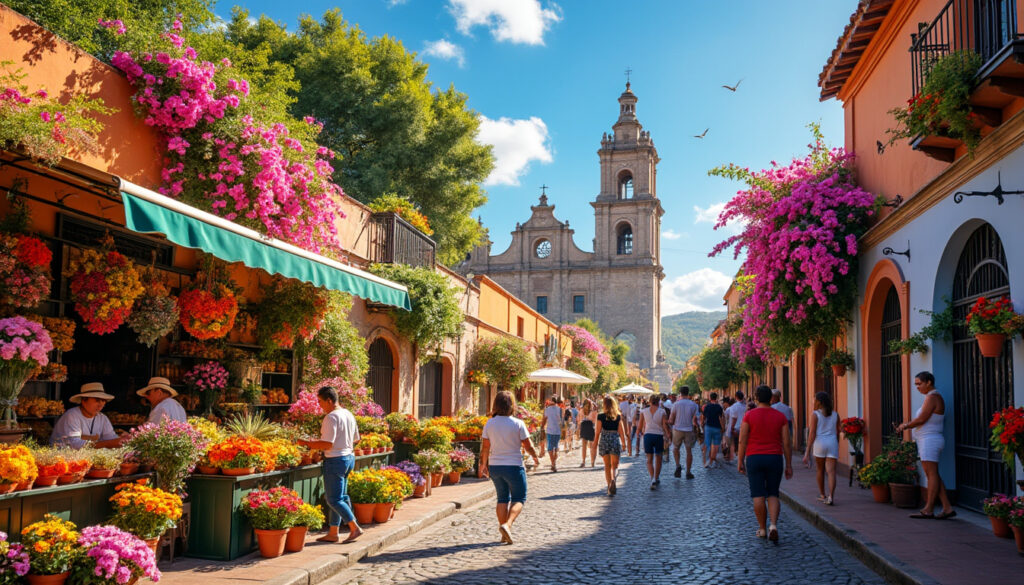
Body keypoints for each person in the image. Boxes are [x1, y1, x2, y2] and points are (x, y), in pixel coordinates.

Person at [298, 386, 363, 543]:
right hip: (348, 458)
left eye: (320, 401)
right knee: (340, 497)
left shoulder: (331, 417)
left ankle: (355, 528)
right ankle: (333, 532)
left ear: (329, 400)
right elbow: (357, 439)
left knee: (333, 499)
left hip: (335, 460)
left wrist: (307, 443)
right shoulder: (348, 414)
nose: (320, 405)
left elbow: (327, 444)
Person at [479, 390, 540, 544]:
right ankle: (508, 524)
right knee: (519, 498)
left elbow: (485, 447)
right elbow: (528, 444)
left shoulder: (490, 423)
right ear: (512, 405)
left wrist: (483, 465)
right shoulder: (517, 423)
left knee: (502, 498)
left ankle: (503, 532)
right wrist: (535, 456)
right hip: (514, 465)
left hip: (495, 466)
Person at [737, 385, 793, 543]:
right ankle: (773, 526)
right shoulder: (780, 417)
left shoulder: (749, 415)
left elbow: (742, 439)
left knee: (758, 494)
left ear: (756, 398)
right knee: (773, 493)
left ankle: (762, 528)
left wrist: (740, 460)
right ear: (771, 398)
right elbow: (787, 443)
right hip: (774, 457)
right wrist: (788, 464)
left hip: (754, 457)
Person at [896, 371, 955, 519]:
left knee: (931, 474)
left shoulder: (933, 397)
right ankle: (947, 508)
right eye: (916, 384)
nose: (917, 387)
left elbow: (921, 419)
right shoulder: (930, 397)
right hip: (927, 440)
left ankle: (928, 508)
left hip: (930, 441)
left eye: (919, 384)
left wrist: (905, 425)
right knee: (932, 473)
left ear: (929, 382)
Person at [51, 383, 122, 448]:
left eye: (103, 401)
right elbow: (75, 444)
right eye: (97, 400)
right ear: (84, 401)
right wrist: (107, 444)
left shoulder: (102, 418)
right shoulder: (72, 415)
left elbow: (111, 438)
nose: (101, 404)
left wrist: (123, 440)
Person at [802, 391, 840, 505]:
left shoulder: (815, 414)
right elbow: (839, 430)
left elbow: (812, 433)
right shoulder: (835, 414)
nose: (813, 401)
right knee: (831, 472)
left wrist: (807, 451)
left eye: (814, 399)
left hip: (820, 443)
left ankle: (823, 494)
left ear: (819, 402)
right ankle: (831, 496)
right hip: (832, 443)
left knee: (820, 470)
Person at [637, 394, 671, 489]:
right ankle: (656, 478)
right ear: (658, 402)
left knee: (649, 460)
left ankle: (652, 478)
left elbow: (640, 425)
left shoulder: (643, 411)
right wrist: (668, 434)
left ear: (650, 402)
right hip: (658, 436)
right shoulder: (662, 411)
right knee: (658, 457)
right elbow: (665, 425)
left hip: (648, 435)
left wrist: (637, 433)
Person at [596, 396, 628, 495]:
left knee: (607, 466)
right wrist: (624, 444)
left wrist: (594, 443)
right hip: (614, 439)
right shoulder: (618, 416)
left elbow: (597, 432)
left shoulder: (600, 416)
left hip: (604, 440)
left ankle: (609, 486)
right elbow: (621, 432)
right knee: (615, 466)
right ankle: (614, 479)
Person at [668, 386, 700, 479]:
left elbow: (671, 419)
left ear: (680, 393)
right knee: (689, 451)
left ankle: (678, 465)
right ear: (688, 393)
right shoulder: (694, 405)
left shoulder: (676, 404)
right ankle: (688, 472)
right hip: (689, 430)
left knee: (675, 448)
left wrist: (669, 423)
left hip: (677, 429)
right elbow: (695, 420)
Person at [540, 395, 564, 472]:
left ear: (551, 401)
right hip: (557, 431)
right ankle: (554, 464)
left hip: (549, 430)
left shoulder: (547, 409)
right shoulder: (559, 409)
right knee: (556, 448)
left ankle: (553, 464)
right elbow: (562, 421)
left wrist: (542, 427)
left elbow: (544, 419)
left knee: (550, 448)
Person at [702, 392, 725, 468]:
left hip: (708, 427)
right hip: (717, 427)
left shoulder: (707, 406)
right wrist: (723, 427)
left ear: (710, 398)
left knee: (707, 444)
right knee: (716, 445)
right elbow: (721, 418)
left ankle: (707, 462)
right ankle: (712, 461)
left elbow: (704, 416)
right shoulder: (719, 407)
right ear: (716, 398)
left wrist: (702, 424)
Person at [578, 399, 598, 467]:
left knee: (584, 446)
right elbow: (595, 421)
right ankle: (592, 462)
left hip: (584, 427)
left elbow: (579, 420)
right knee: (592, 446)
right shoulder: (593, 411)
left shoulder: (581, 411)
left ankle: (583, 461)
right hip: (590, 428)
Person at [727, 391, 747, 461]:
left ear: (736, 397)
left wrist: (732, 428)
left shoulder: (733, 406)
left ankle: (738, 458)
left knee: (736, 445)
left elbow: (734, 418)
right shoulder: (746, 406)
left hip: (736, 428)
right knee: (743, 444)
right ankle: (742, 458)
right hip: (745, 428)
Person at [720, 397, 734, 462]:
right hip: (730, 427)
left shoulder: (728, 409)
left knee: (727, 441)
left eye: (724, 403)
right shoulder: (731, 408)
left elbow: (725, 418)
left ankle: (727, 454)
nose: (723, 404)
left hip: (728, 427)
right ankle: (727, 454)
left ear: (726, 403)